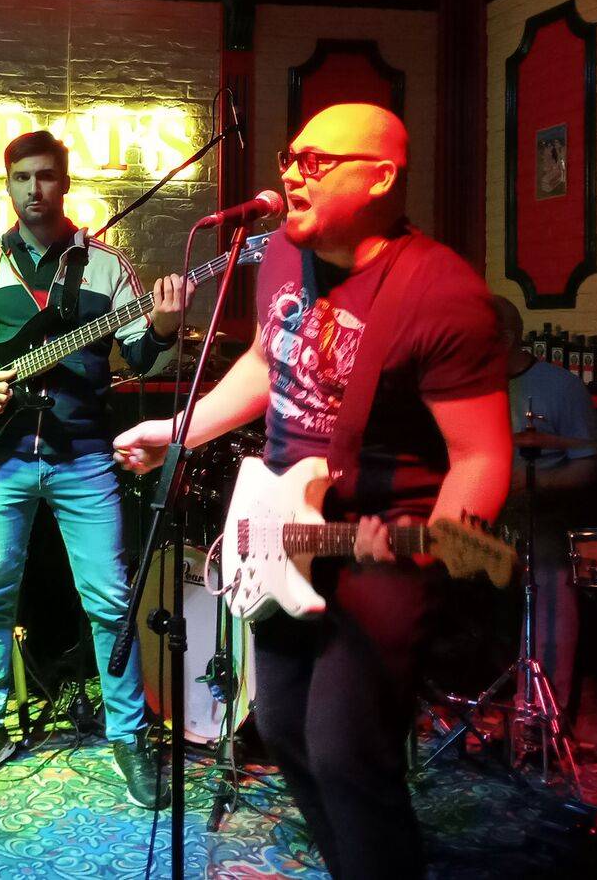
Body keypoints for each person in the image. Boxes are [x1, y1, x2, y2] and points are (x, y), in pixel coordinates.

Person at [113, 104, 511, 878]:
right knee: (286, 730)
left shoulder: (442, 293)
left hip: (382, 540)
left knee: (347, 749)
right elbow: (267, 362)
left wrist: (437, 549)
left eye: (317, 161)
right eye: (290, 156)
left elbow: (482, 453)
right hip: (282, 533)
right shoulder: (283, 258)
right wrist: (177, 429)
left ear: (381, 177)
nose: (293, 172)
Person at [0, 130, 191, 809]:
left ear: (64, 183)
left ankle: (128, 733)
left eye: (45, 176)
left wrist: (163, 326)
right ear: (8, 185)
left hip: (84, 455)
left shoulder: (107, 268)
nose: (33, 189)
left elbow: (142, 357)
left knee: (109, 598)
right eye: (21, 177)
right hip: (1, 455)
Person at [491, 295, 597, 719]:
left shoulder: (561, 387)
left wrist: (531, 481)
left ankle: (541, 707)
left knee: (551, 566)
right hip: (479, 510)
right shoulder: (466, 386)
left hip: (537, 512)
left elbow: (588, 467)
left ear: (505, 339)